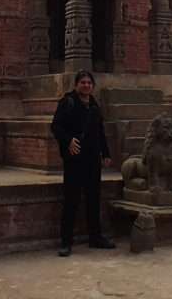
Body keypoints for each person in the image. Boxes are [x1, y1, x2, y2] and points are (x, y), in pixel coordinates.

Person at [50, 70, 115, 257]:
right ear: (76, 85)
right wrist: (68, 140)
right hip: (74, 159)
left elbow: (99, 131)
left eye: (89, 83)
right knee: (71, 200)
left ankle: (95, 237)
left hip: (93, 159)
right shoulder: (68, 102)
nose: (86, 85)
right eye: (83, 82)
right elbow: (55, 126)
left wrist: (106, 153)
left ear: (92, 86)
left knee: (94, 199)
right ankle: (66, 242)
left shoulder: (94, 105)